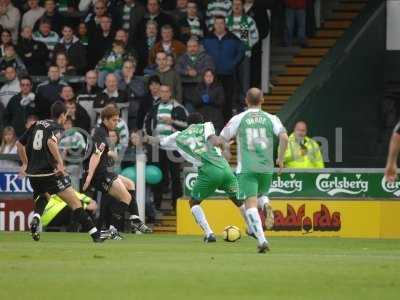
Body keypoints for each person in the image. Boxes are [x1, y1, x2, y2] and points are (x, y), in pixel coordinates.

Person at [143, 112, 240, 243]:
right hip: (225, 168)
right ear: (201, 121)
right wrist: (225, 147)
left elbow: (160, 142)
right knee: (238, 201)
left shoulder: (178, 136)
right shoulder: (207, 125)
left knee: (194, 203)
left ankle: (209, 233)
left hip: (208, 170)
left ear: (188, 125)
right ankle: (255, 230)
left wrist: (146, 138)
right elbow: (214, 139)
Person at [16, 101, 104, 242]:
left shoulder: (36, 124)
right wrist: (60, 164)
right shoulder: (56, 127)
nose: (65, 119)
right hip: (49, 173)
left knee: (44, 196)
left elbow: (19, 144)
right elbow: (51, 142)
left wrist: (25, 164)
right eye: (66, 116)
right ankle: (96, 235)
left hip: (33, 174)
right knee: (75, 203)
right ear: (62, 115)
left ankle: (36, 217)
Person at [220, 88, 289, 253]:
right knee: (260, 195)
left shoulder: (239, 118)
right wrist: (280, 159)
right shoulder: (272, 118)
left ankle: (262, 240)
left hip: (247, 167)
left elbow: (222, 138)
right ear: (262, 100)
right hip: (266, 167)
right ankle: (266, 203)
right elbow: (285, 137)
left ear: (246, 101)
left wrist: (226, 151)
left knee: (249, 204)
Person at [82, 104, 152, 233]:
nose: (116, 123)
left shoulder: (103, 132)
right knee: (125, 198)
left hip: (104, 172)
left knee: (130, 184)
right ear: (105, 119)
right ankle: (111, 229)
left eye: (118, 120)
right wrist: (90, 175)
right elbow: (95, 155)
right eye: (114, 120)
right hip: (99, 175)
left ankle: (134, 219)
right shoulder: (100, 133)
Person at [143, 84, 187, 210]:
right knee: (158, 176)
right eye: (162, 92)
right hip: (158, 147)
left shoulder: (179, 108)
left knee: (175, 177)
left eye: (166, 91)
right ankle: (157, 205)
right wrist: (150, 139)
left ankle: (176, 206)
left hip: (174, 148)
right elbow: (146, 124)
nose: (164, 94)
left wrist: (172, 122)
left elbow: (187, 126)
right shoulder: (154, 108)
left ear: (170, 93)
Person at [202, 16, 245, 120]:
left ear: (225, 25)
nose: (219, 26)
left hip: (228, 74)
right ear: (214, 25)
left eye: (222, 23)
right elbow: (201, 53)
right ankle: (212, 123)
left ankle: (227, 124)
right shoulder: (207, 38)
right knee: (212, 98)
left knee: (227, 99)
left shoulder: (233, 38)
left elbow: (242, 50)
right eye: (217, 23)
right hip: (212, 75)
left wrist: (233, 64)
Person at [227, 0, 259, 107]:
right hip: (230, 56)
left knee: (244, 80)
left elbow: (255, 37)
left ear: (242, 6)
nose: (236, 6)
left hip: (244, 55)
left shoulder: (248, 20)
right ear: (231, 6)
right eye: (234, 4)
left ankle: (245, 104)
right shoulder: (227, 21)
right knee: (232, 80)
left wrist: (247, 46)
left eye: (239, 4)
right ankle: (233, 105)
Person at [176, 37, 214, 108]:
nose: (192, 48)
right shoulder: (182, 58)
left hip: (202, 88)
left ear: (199, 47)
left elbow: (210, 69)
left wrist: (196, 72)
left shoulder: (206, 57)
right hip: (186, 88)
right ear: (187, 48)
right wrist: (187, 72)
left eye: (194, 46)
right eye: (189, 46)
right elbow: (177, 69)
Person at [244, 0, 271, 87]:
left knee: (254, 69)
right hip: (240, 48)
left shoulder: (260, 8)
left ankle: (253, 89)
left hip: (255, 47)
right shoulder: (238, 7)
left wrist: (254, 38)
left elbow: (265, 28)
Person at [118, 59, 146, 130]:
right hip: (120, 115)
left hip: (135, 116)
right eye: (126, 67)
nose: (128, 70)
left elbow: (141, 93)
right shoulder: (118, 81)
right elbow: (118, 95)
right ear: (122, 69)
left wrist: (129, 82)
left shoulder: (139, 81)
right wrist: (126, 82)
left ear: (134, 69)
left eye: (130, 68)